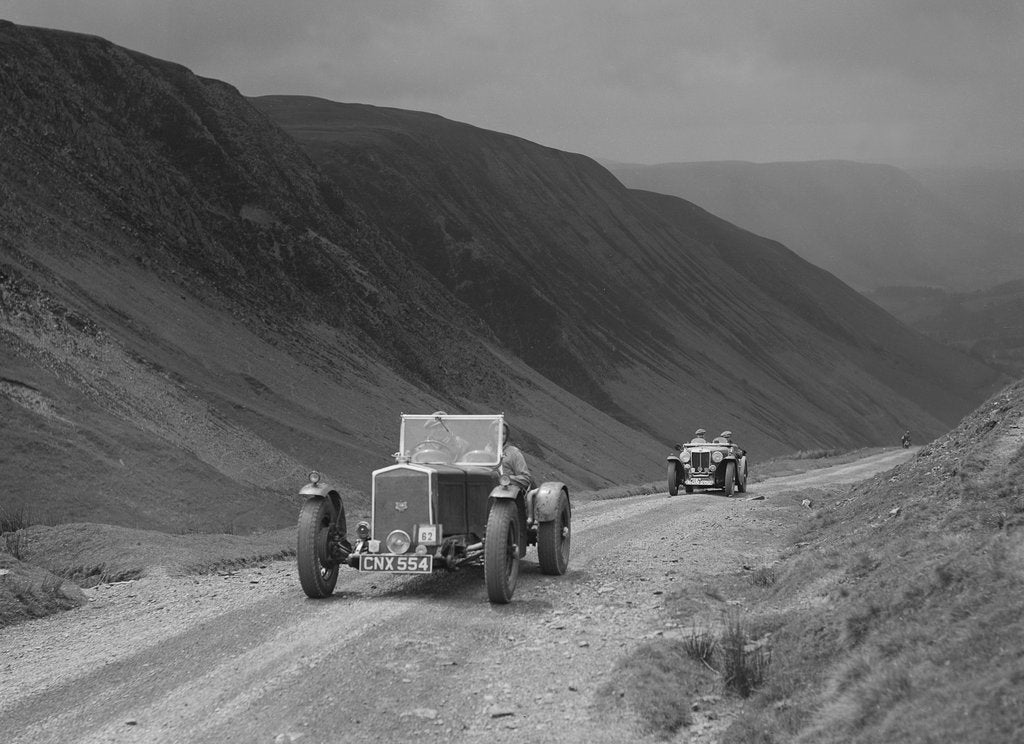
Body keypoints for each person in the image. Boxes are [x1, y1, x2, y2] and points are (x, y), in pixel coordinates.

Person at [498, 421, 534, 489]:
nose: (499, 436)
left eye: (503, 434)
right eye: (496, 433)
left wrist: (507, 479)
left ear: (506, 436)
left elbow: (526, 478)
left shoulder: (513, 452)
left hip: (506, 490)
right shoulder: (485, 452)